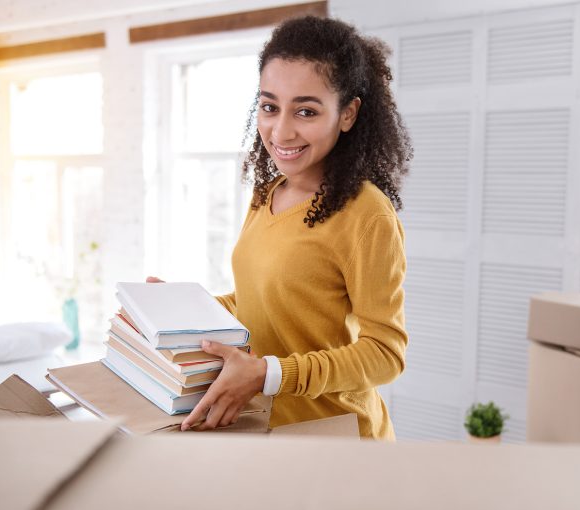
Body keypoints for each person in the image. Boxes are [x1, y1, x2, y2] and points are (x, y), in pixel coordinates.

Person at [154, 15, 412, 440]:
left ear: (347, 113)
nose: (281, 130)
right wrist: (178, 311)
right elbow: (259, 301)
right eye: (270, 106)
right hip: (263, 428)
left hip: (337, 438)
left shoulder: (367, 214)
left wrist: (269, 374)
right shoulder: (267, 193)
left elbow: (385, 354)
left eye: (306, 110)